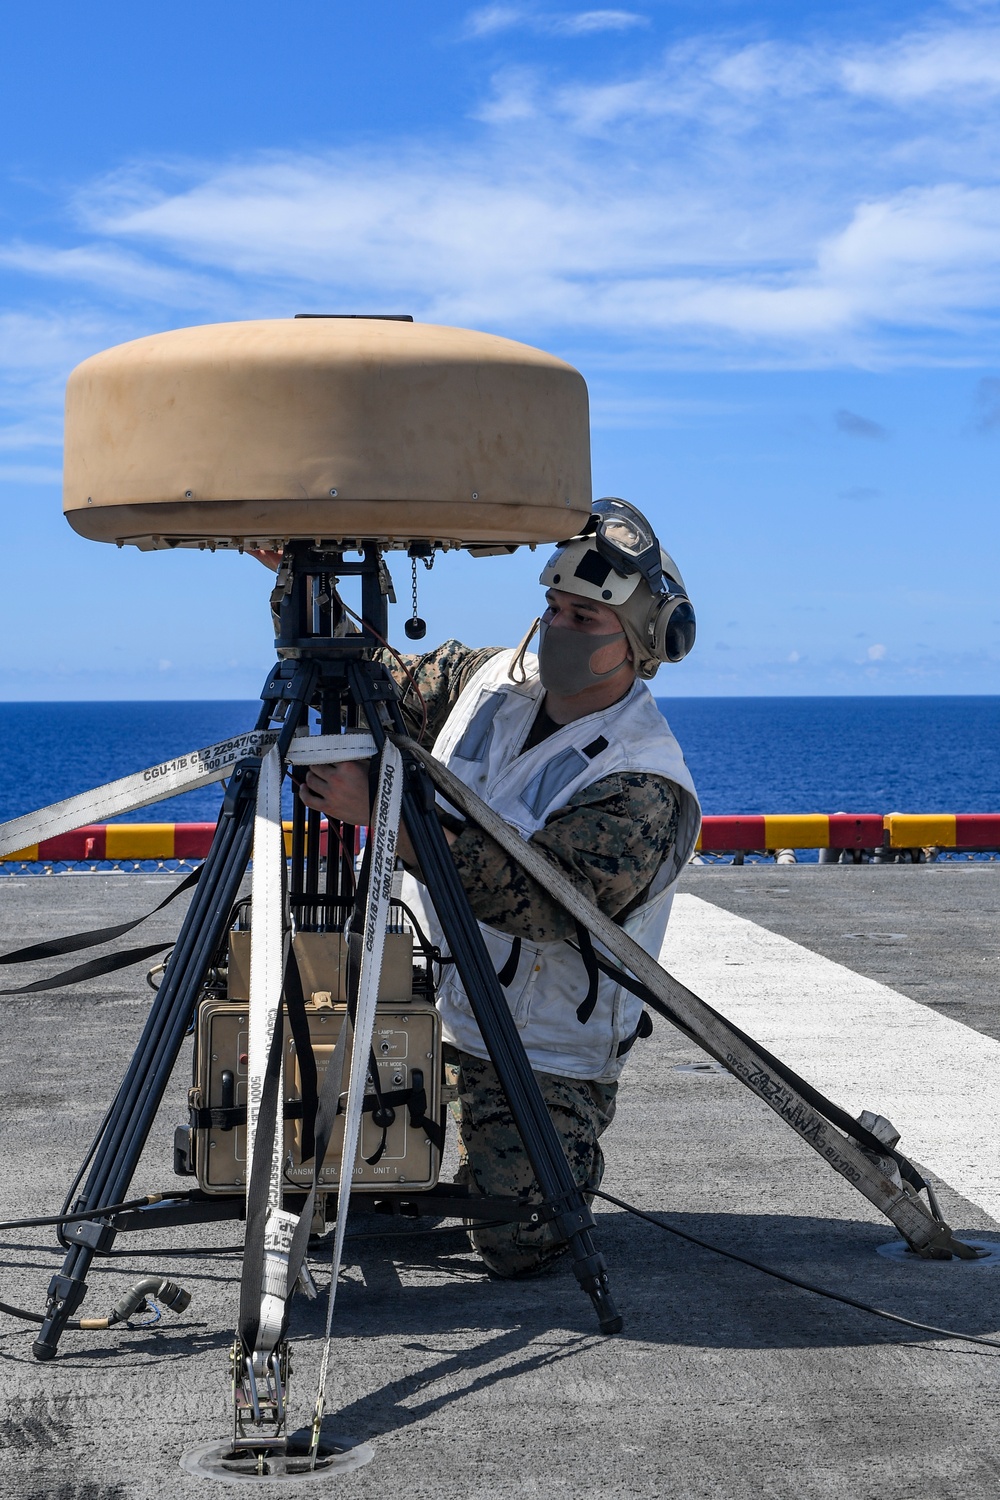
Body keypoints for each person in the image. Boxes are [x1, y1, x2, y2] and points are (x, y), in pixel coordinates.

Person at [297, 499, 702, 1276]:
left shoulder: (642, 779)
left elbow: (542, 899)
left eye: (586, 617)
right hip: (427, 993)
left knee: (518, 1239)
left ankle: (544, 1160)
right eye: (553, 607)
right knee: (321, 1176)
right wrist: (302, 582)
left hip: (537, 1041)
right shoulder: (487, 681)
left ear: (643, 643)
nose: (558, 628)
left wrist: (383, 816)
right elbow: (374, 673)